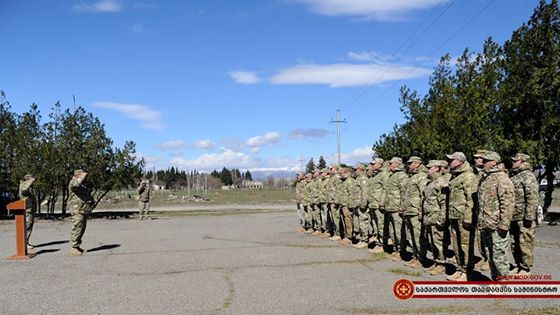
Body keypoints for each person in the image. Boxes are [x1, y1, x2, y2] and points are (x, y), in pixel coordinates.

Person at [477, 151, 515, 281]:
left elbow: (508, 203)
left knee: (499, 255)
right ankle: (496, 279)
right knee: (490, 253)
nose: (482, 163)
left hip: (497, 224)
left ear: (493, 162)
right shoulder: (485, 178)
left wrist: (504, 224)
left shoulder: (501, 178)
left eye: (485, 161)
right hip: (486, 222)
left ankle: (503, 281)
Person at [446, 152, 478, 281]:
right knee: (456, 244)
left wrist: (468, 218)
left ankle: (467, 271)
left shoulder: (468, 176)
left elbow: (471, 199)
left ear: (459, 161)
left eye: (451, 160)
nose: (449, 162)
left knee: (465, 245)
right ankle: (459, 268)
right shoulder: (455, 177)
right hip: (454, 215)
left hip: (463, 216)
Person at [509, 153, 539, 275]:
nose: (513, 162)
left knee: (525, 243)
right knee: (514, 242)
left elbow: (532, 198)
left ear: (522, 162)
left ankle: (525, 269)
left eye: (515, 160)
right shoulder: (515, 175)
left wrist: (529, 217)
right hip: (513, 216)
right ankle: (518, 265)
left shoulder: (528, 176)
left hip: (524, 217)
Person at [422, 160, 451, 275]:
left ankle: (441, 264)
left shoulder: (441, 182)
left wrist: (442, 219)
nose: (427, 169)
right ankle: (436, 262)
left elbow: (444, 203)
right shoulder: (430, 183)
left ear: (437, 168)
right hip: (429, 217)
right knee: (432, 241)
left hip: (436, 217)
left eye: (430, 167)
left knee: (439, 241)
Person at [402, 156, 429, 268]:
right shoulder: (412, 177)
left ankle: (421, 258)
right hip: (409, 210)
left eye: (410, 163)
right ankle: (415, 256)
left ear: (417, 164)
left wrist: (421, 211)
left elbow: (424, 195)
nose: (408, 165)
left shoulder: (422, 176)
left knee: (418, 236)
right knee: (411, 236)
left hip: (415, 210)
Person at [382, 157, 408, 260]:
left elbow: (404, 193)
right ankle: (395, 249)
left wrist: (402, 207)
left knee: (399, 231)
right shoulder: (392, 176)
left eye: (391, 163)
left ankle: (401, 251)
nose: (389, 165)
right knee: (392, 231)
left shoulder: (402, 175)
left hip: (397, 208)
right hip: (390, 208)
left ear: (397, 164)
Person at [366, 158, 390, 254]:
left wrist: (382, 202)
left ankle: (382, 245)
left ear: (380, 164)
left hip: (378, 204)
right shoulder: (377, 175)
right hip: (373, 204)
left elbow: (385, 189)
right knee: (375, 225)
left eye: (374, 164)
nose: (372, 165)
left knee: (381, 225)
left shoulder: (384, 174)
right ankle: (378, 242)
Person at [68, 170, 94, 256]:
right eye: (82, 176)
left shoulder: (82, 185)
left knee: (81, 229)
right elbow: (75, 185)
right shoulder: (73, 182)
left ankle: (77, 246)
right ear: (78, 176)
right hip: (77, 210)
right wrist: (81, 177)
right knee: (77, 228)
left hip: (83, 209)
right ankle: (73, 248)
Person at [19, 174, 37, 249]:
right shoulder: (24, 184)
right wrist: (30, 181)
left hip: (30, 209)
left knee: (29, 226)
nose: (33, 180)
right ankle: (24, 244)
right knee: (27, 226)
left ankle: (26, 242)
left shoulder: (30, 187)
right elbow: (23, 190)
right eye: (32, 178)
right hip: (26, 210)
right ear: (28, 179)